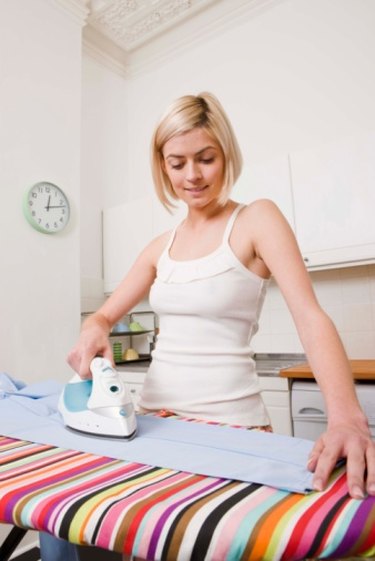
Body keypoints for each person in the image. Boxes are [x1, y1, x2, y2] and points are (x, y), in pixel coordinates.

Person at [41, 92, 375, 559]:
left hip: (231, 430)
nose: (192, 175)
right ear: (162, 166)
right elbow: (103, 313)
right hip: (155, 428)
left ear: (226, 155)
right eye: (177, 163)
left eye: (206, 158)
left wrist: (345, 418)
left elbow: (310, 317)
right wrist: (93, 328)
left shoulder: (256, 219)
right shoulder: (161, 245)